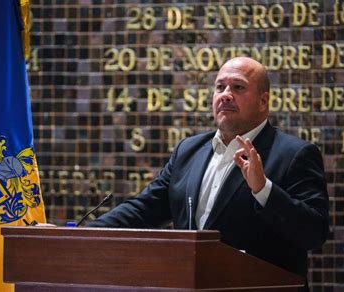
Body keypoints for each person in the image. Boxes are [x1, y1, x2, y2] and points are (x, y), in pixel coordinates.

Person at [87, 57, 330, 289]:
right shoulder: (189, 151)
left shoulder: (294, 154)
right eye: (220, 87)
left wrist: (263, 189)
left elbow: (313, 234)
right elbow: (143, 209)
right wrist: (79, 234)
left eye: (238, 87)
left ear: (263, 101)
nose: (226, 95)